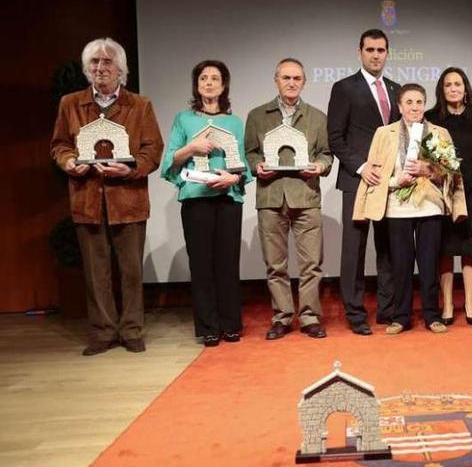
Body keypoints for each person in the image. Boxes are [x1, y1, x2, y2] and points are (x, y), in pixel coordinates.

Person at [50, 38, 163, 355]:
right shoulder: (70, 103)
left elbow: (153, 150)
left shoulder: (139, 105)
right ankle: (102, 332)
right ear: (87, 69)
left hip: (128, 201)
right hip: (87, 199)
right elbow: (59, 145)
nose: (100, 68)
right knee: (95, 271)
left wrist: (130, 170)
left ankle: (131, 330)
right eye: (94, 63)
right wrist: (68, 160)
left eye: (106, 62)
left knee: (130, 271)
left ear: (120, 69)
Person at [353, 83, 466, 334]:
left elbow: (452, 173)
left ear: (424, 105)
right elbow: (374, 173)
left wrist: (429, 170)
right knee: (401, 266)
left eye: (419, 102)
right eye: (409, 102)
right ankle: (400, 317)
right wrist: (396, 181)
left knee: (428, 264)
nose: (414, 107)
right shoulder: (384, 133)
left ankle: (431, 315)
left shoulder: (439, 132)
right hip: (397, 207)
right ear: (400, 106)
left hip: (430, 207)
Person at [160, 60, 252, 347]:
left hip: (227, 198)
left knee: (227, 262)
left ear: (224, 86)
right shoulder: (184, 119)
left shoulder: (234, 122)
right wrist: (192, 148)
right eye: (203, 78)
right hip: (196, 200)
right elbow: (169, 160)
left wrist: (232, 178)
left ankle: (230, 324)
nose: (209, 83)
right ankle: (208, 327)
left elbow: (243, 165)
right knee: (201, 264)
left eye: (215, 78)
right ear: (197, 85)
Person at [244, 58, 333, 340]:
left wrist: (319, 166)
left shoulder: (317, 116)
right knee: (275, 264)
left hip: (306, 196)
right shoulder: (258, 115)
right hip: (270, 197)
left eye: (297, 78)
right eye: (286, 78)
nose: (291, 83)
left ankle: (309, 317)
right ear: (276, 80)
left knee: (311, 264)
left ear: (304, 82)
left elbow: (326, 154)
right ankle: (281, 316)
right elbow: (250, 152)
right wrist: (256, 165)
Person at [328, 29, 401, 335]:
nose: (375, 55)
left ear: (387, 53)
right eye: (370, 49)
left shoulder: (397, 89)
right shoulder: (344, 88)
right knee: (354, 249)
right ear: (360, 52)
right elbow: (335, 137)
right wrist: (361, 167)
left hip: (390, 182)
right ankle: (355, 313)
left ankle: (386, 310)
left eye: (381, 50)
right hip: (357, 180)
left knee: (388, 248)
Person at [424, 68, 472, 326]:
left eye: (457, 84)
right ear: (442, 89)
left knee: (470, 249)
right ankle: (448, 304)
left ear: (465, 88)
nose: (453, 88)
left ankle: (470, 303)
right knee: (446, 250)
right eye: (448, 84)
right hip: (442, 192)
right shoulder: (430, 118)